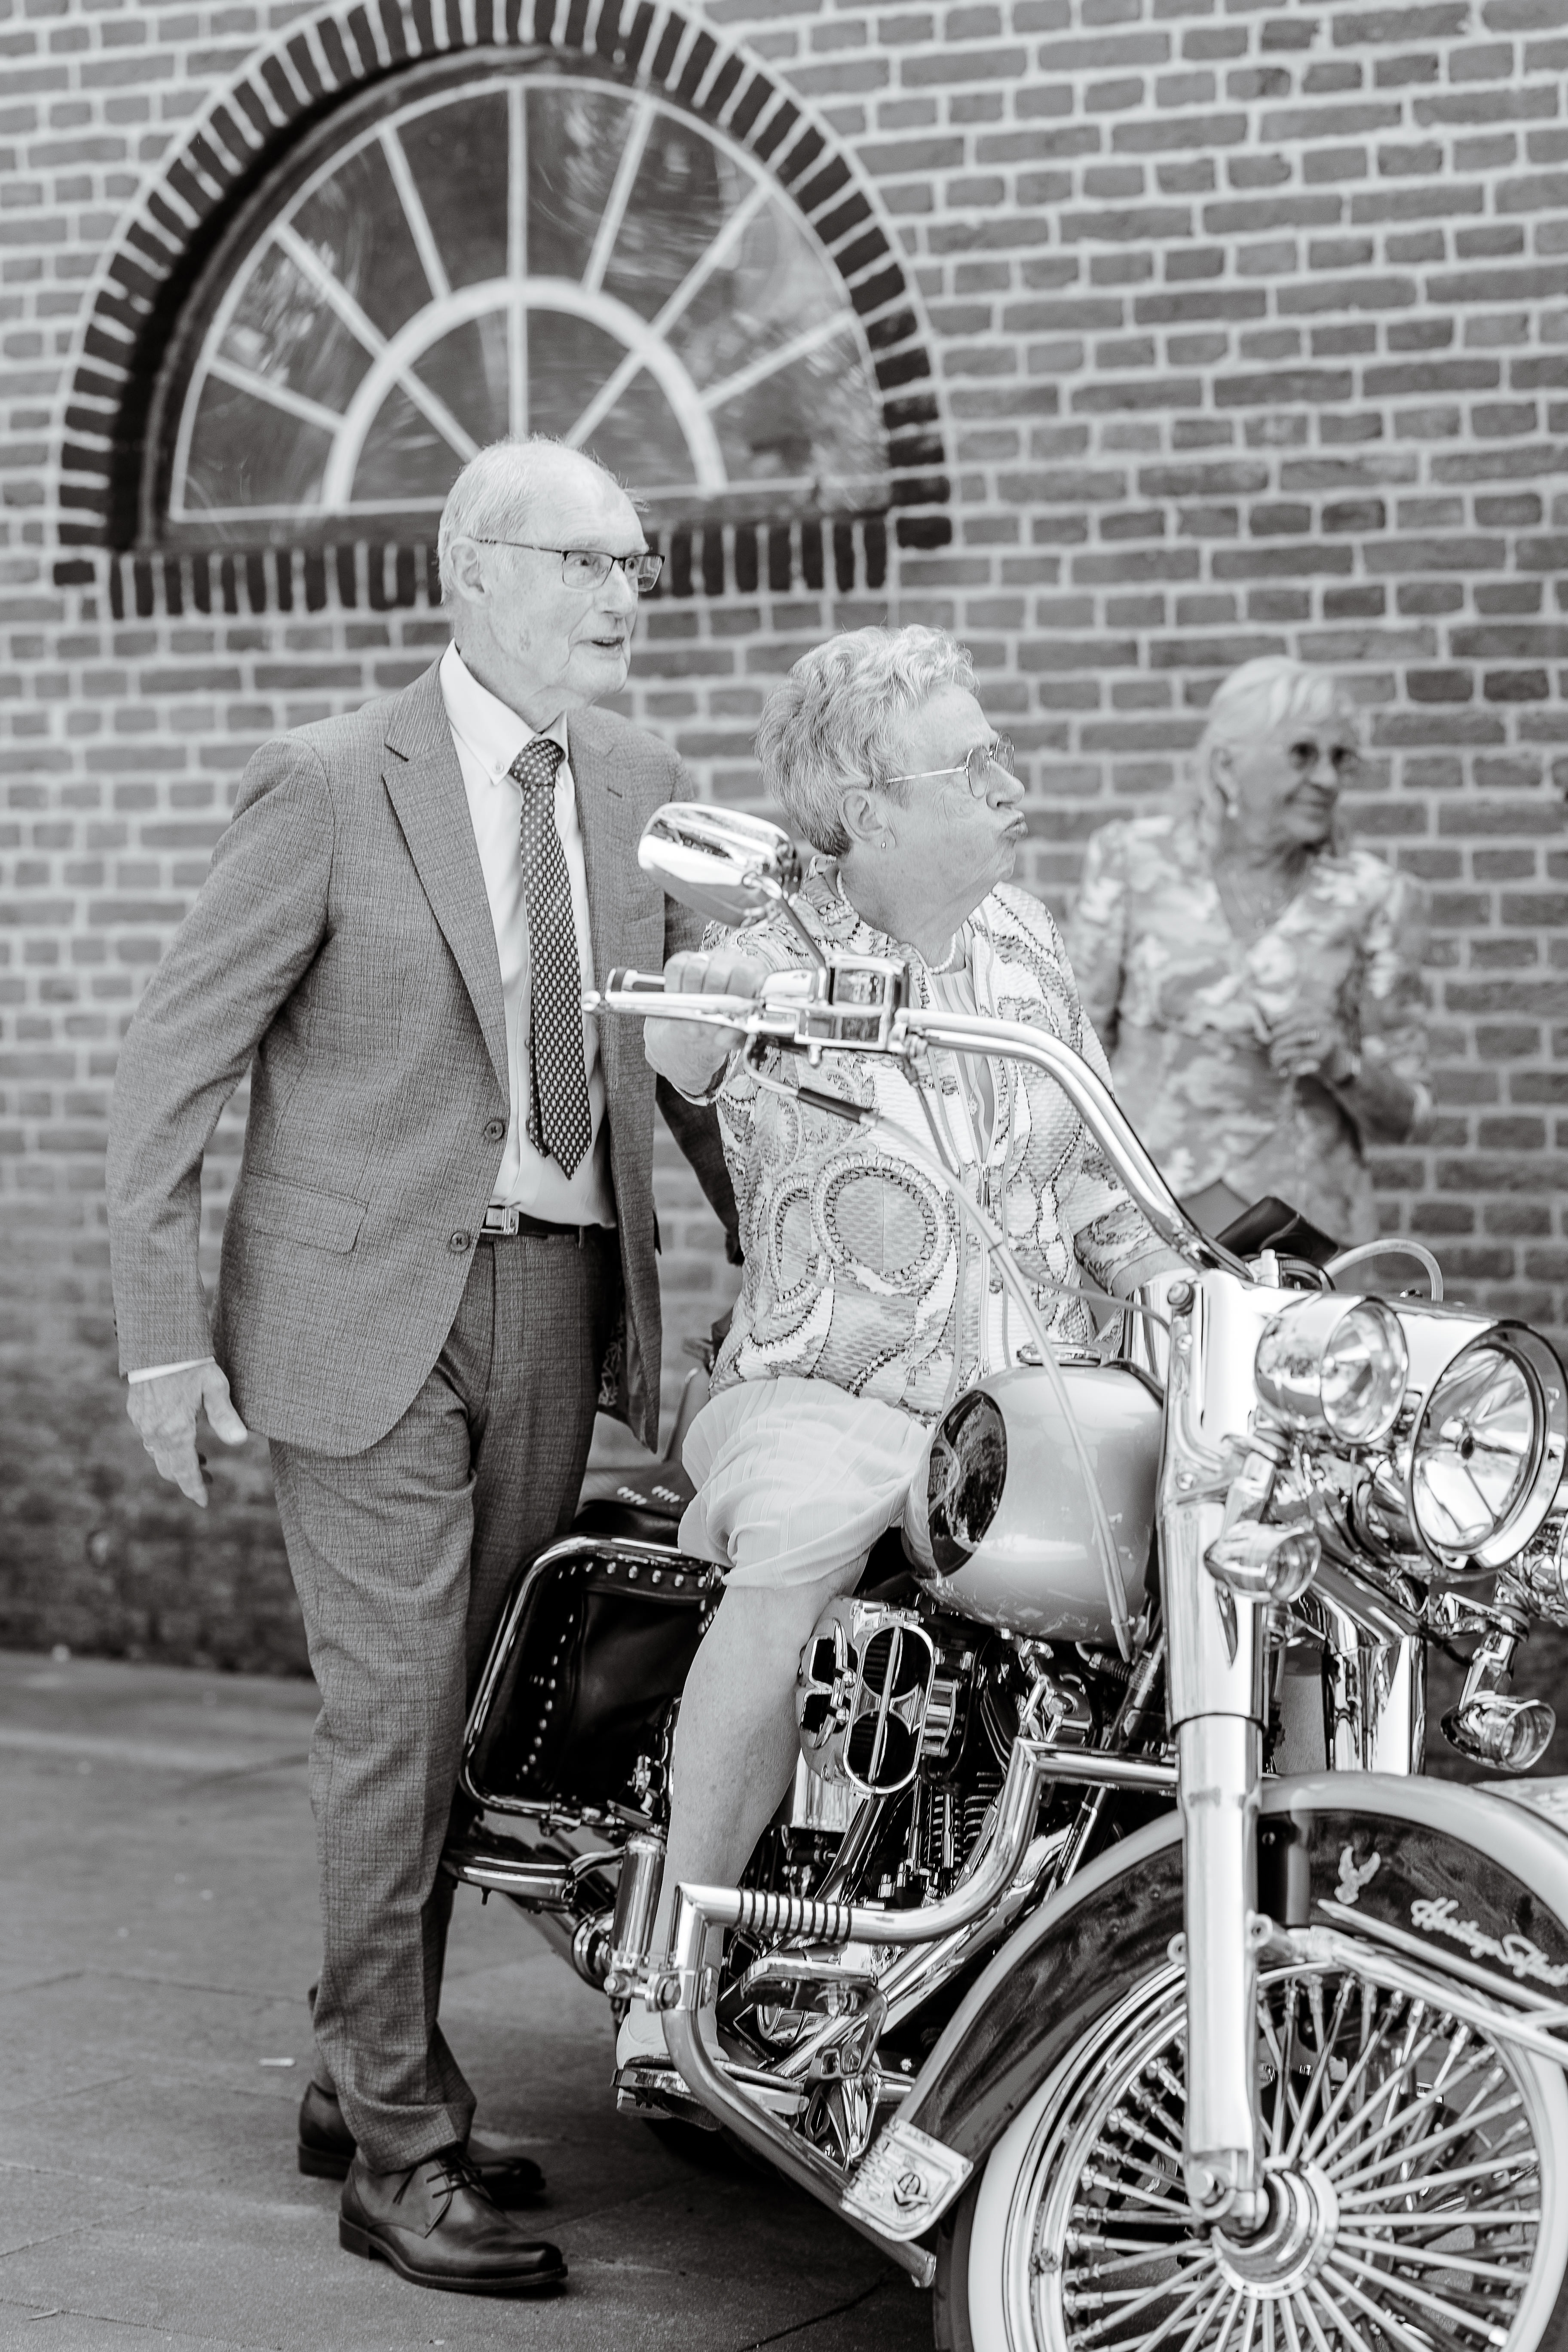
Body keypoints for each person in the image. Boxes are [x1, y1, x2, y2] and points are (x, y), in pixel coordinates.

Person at [106, 438, 737, 2298]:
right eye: (589, 561)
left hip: (559, 1299)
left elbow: (671, 1060)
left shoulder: (637, 784)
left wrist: (768, 1261)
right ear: (475, 569)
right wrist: (161, 1340)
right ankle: (398, 2144)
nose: (627, 594)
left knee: (468, 1720)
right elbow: (171, 1067)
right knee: (389, 1722)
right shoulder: (324, 783)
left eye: (642, 562)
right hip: (355, 1311)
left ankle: (355, 2064)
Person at [617, 624, 1184, 2076]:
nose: (1012, 785)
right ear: (868, 808)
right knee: (807, 1537)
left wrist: (1194, 1294)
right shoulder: (765, 956)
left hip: (1038, 1401)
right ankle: (672, 1963)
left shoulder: (1024, 941)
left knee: (1245, 1535)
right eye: (973, 763)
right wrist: (733, 992)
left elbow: (1095, 1191)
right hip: (827, 1393)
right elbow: (670, 1055)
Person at [1064, 655, 1432, 1248]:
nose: (1329, 779)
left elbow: (1412, 1113)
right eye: (1302, 754)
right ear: (1227, 765)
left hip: (1305, 1230)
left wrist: (1342, 1062)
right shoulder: (1132, 862)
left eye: (1341, 758)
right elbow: (1075, 1047)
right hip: (1145, 1217)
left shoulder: (1376, 896)